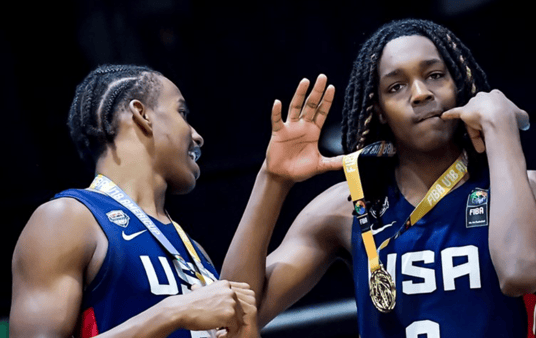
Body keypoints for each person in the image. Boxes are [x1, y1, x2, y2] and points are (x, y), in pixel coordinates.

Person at [221, 18, 536, 337]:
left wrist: (499, 127)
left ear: (460, 85)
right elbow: (231, 320)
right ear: (379, 111)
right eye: (396, 86)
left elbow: (521, 272)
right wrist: (272, 180)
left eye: (435, 75)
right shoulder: (347, 207)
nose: (420, 93)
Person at [9, 64, 342, 338]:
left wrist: (274, 177)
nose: (197, 135)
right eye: (182, 112)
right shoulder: (66, 218)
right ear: (142, 114)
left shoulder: (194, 253)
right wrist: (173, 312)